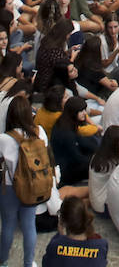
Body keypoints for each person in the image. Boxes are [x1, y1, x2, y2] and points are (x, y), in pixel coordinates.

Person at [0, 96, 47, 267]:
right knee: (29, 225)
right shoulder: (40, 132)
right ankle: (29, 262)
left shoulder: (4, 139)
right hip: (33, 184)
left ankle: (3, 260)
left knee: (8, 225)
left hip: (10, 187)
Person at [41, 196, 109, 266]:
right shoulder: (100, 246)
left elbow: (46, 263)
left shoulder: (55, 246)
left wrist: (59, 235)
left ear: (63, 222)